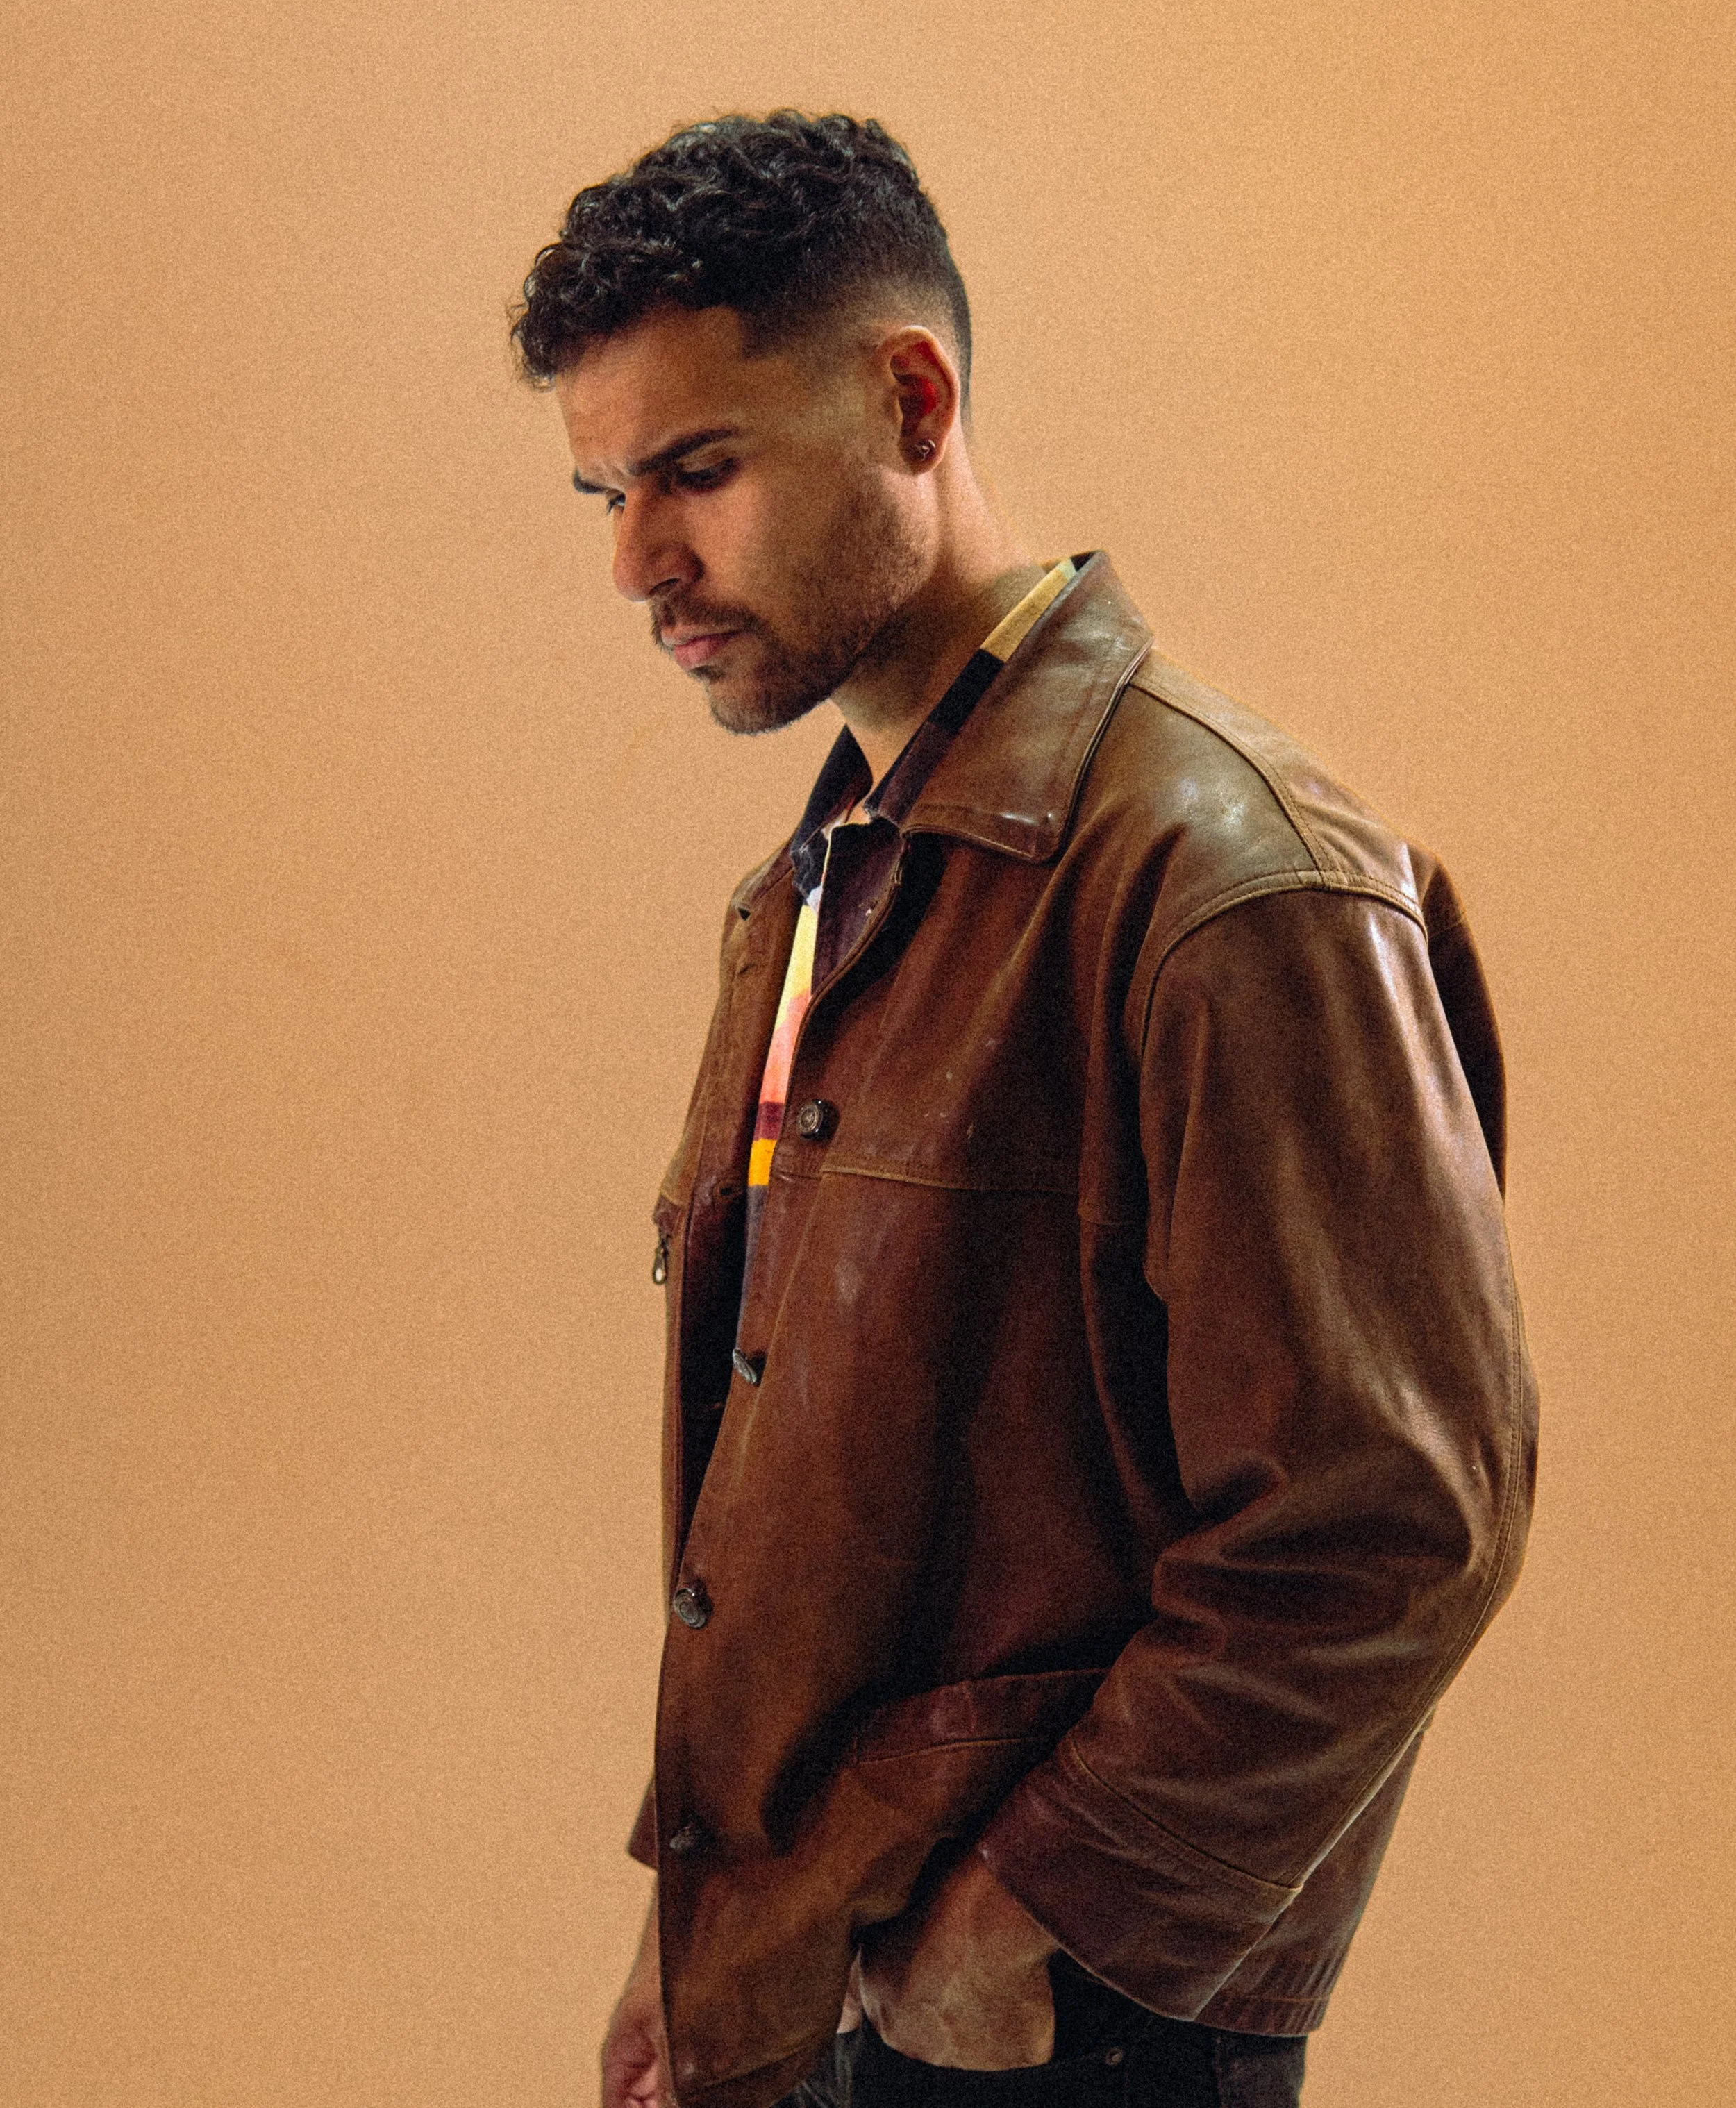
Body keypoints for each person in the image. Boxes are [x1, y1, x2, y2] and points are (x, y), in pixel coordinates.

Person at [512, 112, 1537, 2108]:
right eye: (606, 491)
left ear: (912, 401)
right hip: (835, 1994)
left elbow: (1391, 1516)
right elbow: (828, 1497)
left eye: (699, 472)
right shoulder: (826, 890)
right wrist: (717, 1943)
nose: (638, 562)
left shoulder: (1228, 875)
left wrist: (1033, 1918)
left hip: (1065, 2029)